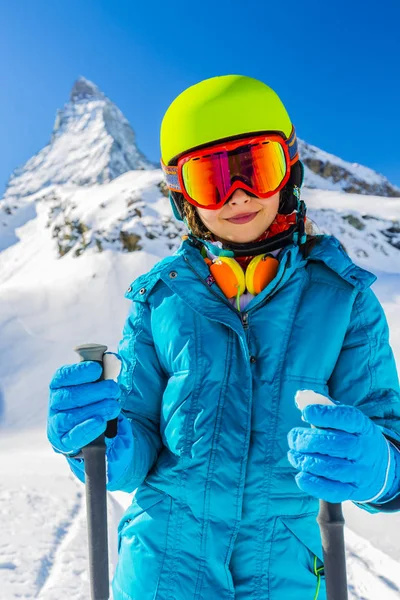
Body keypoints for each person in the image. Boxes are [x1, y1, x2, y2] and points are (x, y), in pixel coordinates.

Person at [47, 75, 400, 600]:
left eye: (256, 168)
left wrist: (381, 470)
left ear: (290, 171)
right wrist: (101, 443)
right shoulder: (160, 300)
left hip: (285, 576)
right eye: (211, 181)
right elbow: (137, 432)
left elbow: (385, 433)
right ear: (183, 198)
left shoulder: (343, 300)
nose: (237, 196)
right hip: (162, 572)